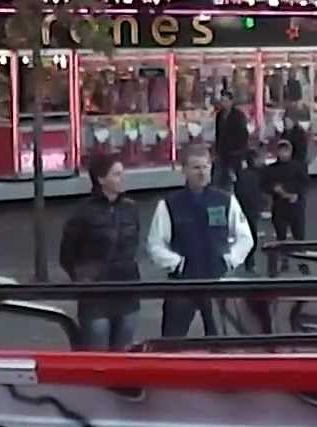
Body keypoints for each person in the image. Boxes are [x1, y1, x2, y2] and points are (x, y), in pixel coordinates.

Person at [147, 145, 254, 338]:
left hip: (217, 281)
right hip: (183, 283)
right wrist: (177, 264)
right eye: (196, 168)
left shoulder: (225, 200)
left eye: (205, 167)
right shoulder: (169, 204)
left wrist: (229, 260)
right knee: (172, 339)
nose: (202, 172)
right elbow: (156, 244)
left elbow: (245, 238)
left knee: (220, 339)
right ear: (184, 170)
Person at [58, 154, 142, 351]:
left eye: (123, 174)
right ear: (101, 179)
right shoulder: (83, 212)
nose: (122, 179)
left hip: (127, 288)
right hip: (96, 292)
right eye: (117, 174)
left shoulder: (130, 208)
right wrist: (81, 277)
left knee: (124, 350)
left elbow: (135, 240)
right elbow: (67, 252)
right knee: (97, 349)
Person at [265, 140, 308, 241]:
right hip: (280, 208)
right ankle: (282, 256)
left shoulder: (299, 167)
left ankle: (300, 255)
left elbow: (305, 183)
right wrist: (274, 189)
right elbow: (264, 185)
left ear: (291, 152)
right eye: (281, 151)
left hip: (296, 207)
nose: (283, 153)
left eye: (286, 151)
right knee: (281, 238)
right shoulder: (271, 169)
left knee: (299, 237)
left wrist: (297, 195)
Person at [234, 150, 265, 273]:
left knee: (246, 236)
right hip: (250, 210)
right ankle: (249, 263)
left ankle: (247, 262)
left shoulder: (244, 174)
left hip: (245, 209)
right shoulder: (255, 175)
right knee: (251, 237)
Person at [213, 91, 250, 189]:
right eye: (222, 101)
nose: (223, 103)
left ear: (231, 101)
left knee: (232, 178)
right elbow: (218, 134)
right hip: (222, 152)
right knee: (219, 178)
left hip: (234, 153)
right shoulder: (220, 115)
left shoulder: (238, 116)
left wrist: (241, 154)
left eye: (226, 101)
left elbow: (243, 135)